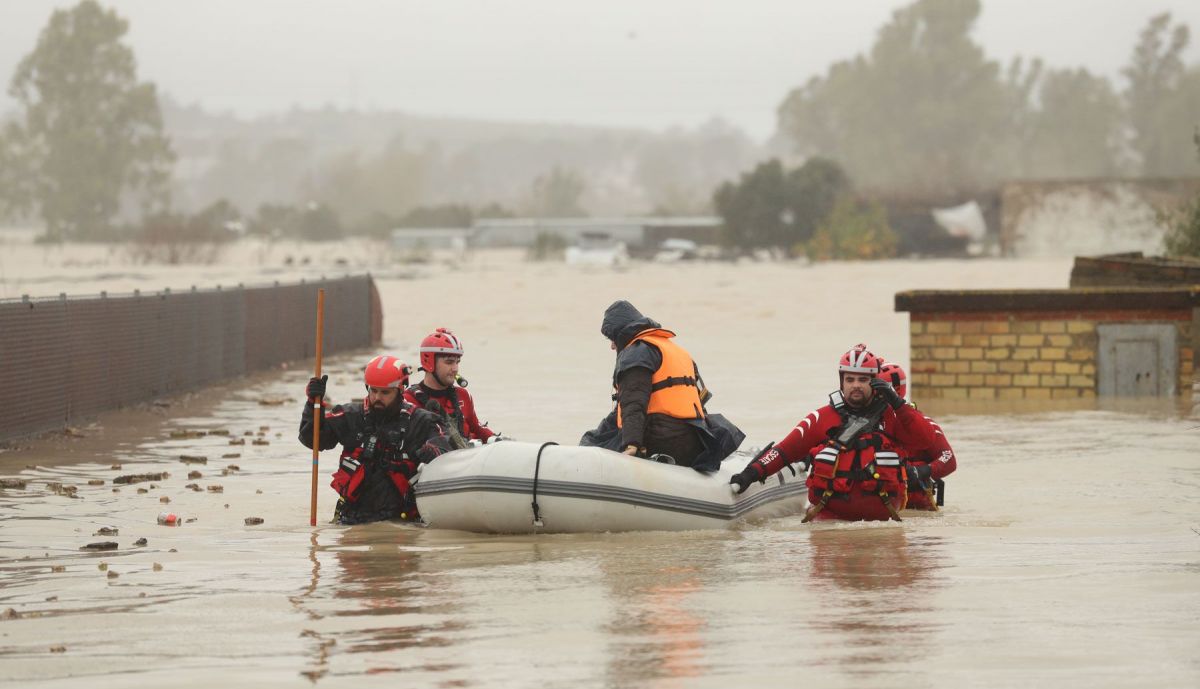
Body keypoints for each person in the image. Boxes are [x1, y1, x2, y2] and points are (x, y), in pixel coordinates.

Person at [729, 343, 935, 522]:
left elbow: (926, 440)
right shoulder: (822, 417)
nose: (856, 385)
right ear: (841, 381)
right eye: (850, 379)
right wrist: (750, 474)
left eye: (863, 380)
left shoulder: (894, 416)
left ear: (875, 382)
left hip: (884, 524)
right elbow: (783, 452)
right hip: (829, 522)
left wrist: (898, 403)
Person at [579, 300, 744, 472]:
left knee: (593, 441)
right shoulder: (676, 350)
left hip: (663, 441)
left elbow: (633, 402)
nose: (612, 346)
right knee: (599, 434)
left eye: (612, 338)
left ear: (621, 334)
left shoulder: (636, 352)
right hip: (694, 442)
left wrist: (632, 445)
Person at [300, 354, 452, 525]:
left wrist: (435, 449)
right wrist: (313, 404)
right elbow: (312, 439)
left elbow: (443, 439)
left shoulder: (420, 421)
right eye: (373, 390)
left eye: (385, 392)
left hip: (404, 524)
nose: (377, 397)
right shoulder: (350, 416)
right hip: (353, 520)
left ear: (401, 389)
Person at [877, 362, 957, 510]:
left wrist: (921, 471)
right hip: (879, 504)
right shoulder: (869, 423)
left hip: (916, 508)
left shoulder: (923, 426)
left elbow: (949, 459)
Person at [404, 327, 498, 448]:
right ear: (429, 362)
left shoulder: (463, 395)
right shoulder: (408, 400)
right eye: (449, 362)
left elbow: (478, 429)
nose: (455, 369)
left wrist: (499, 441)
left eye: (457, 362)